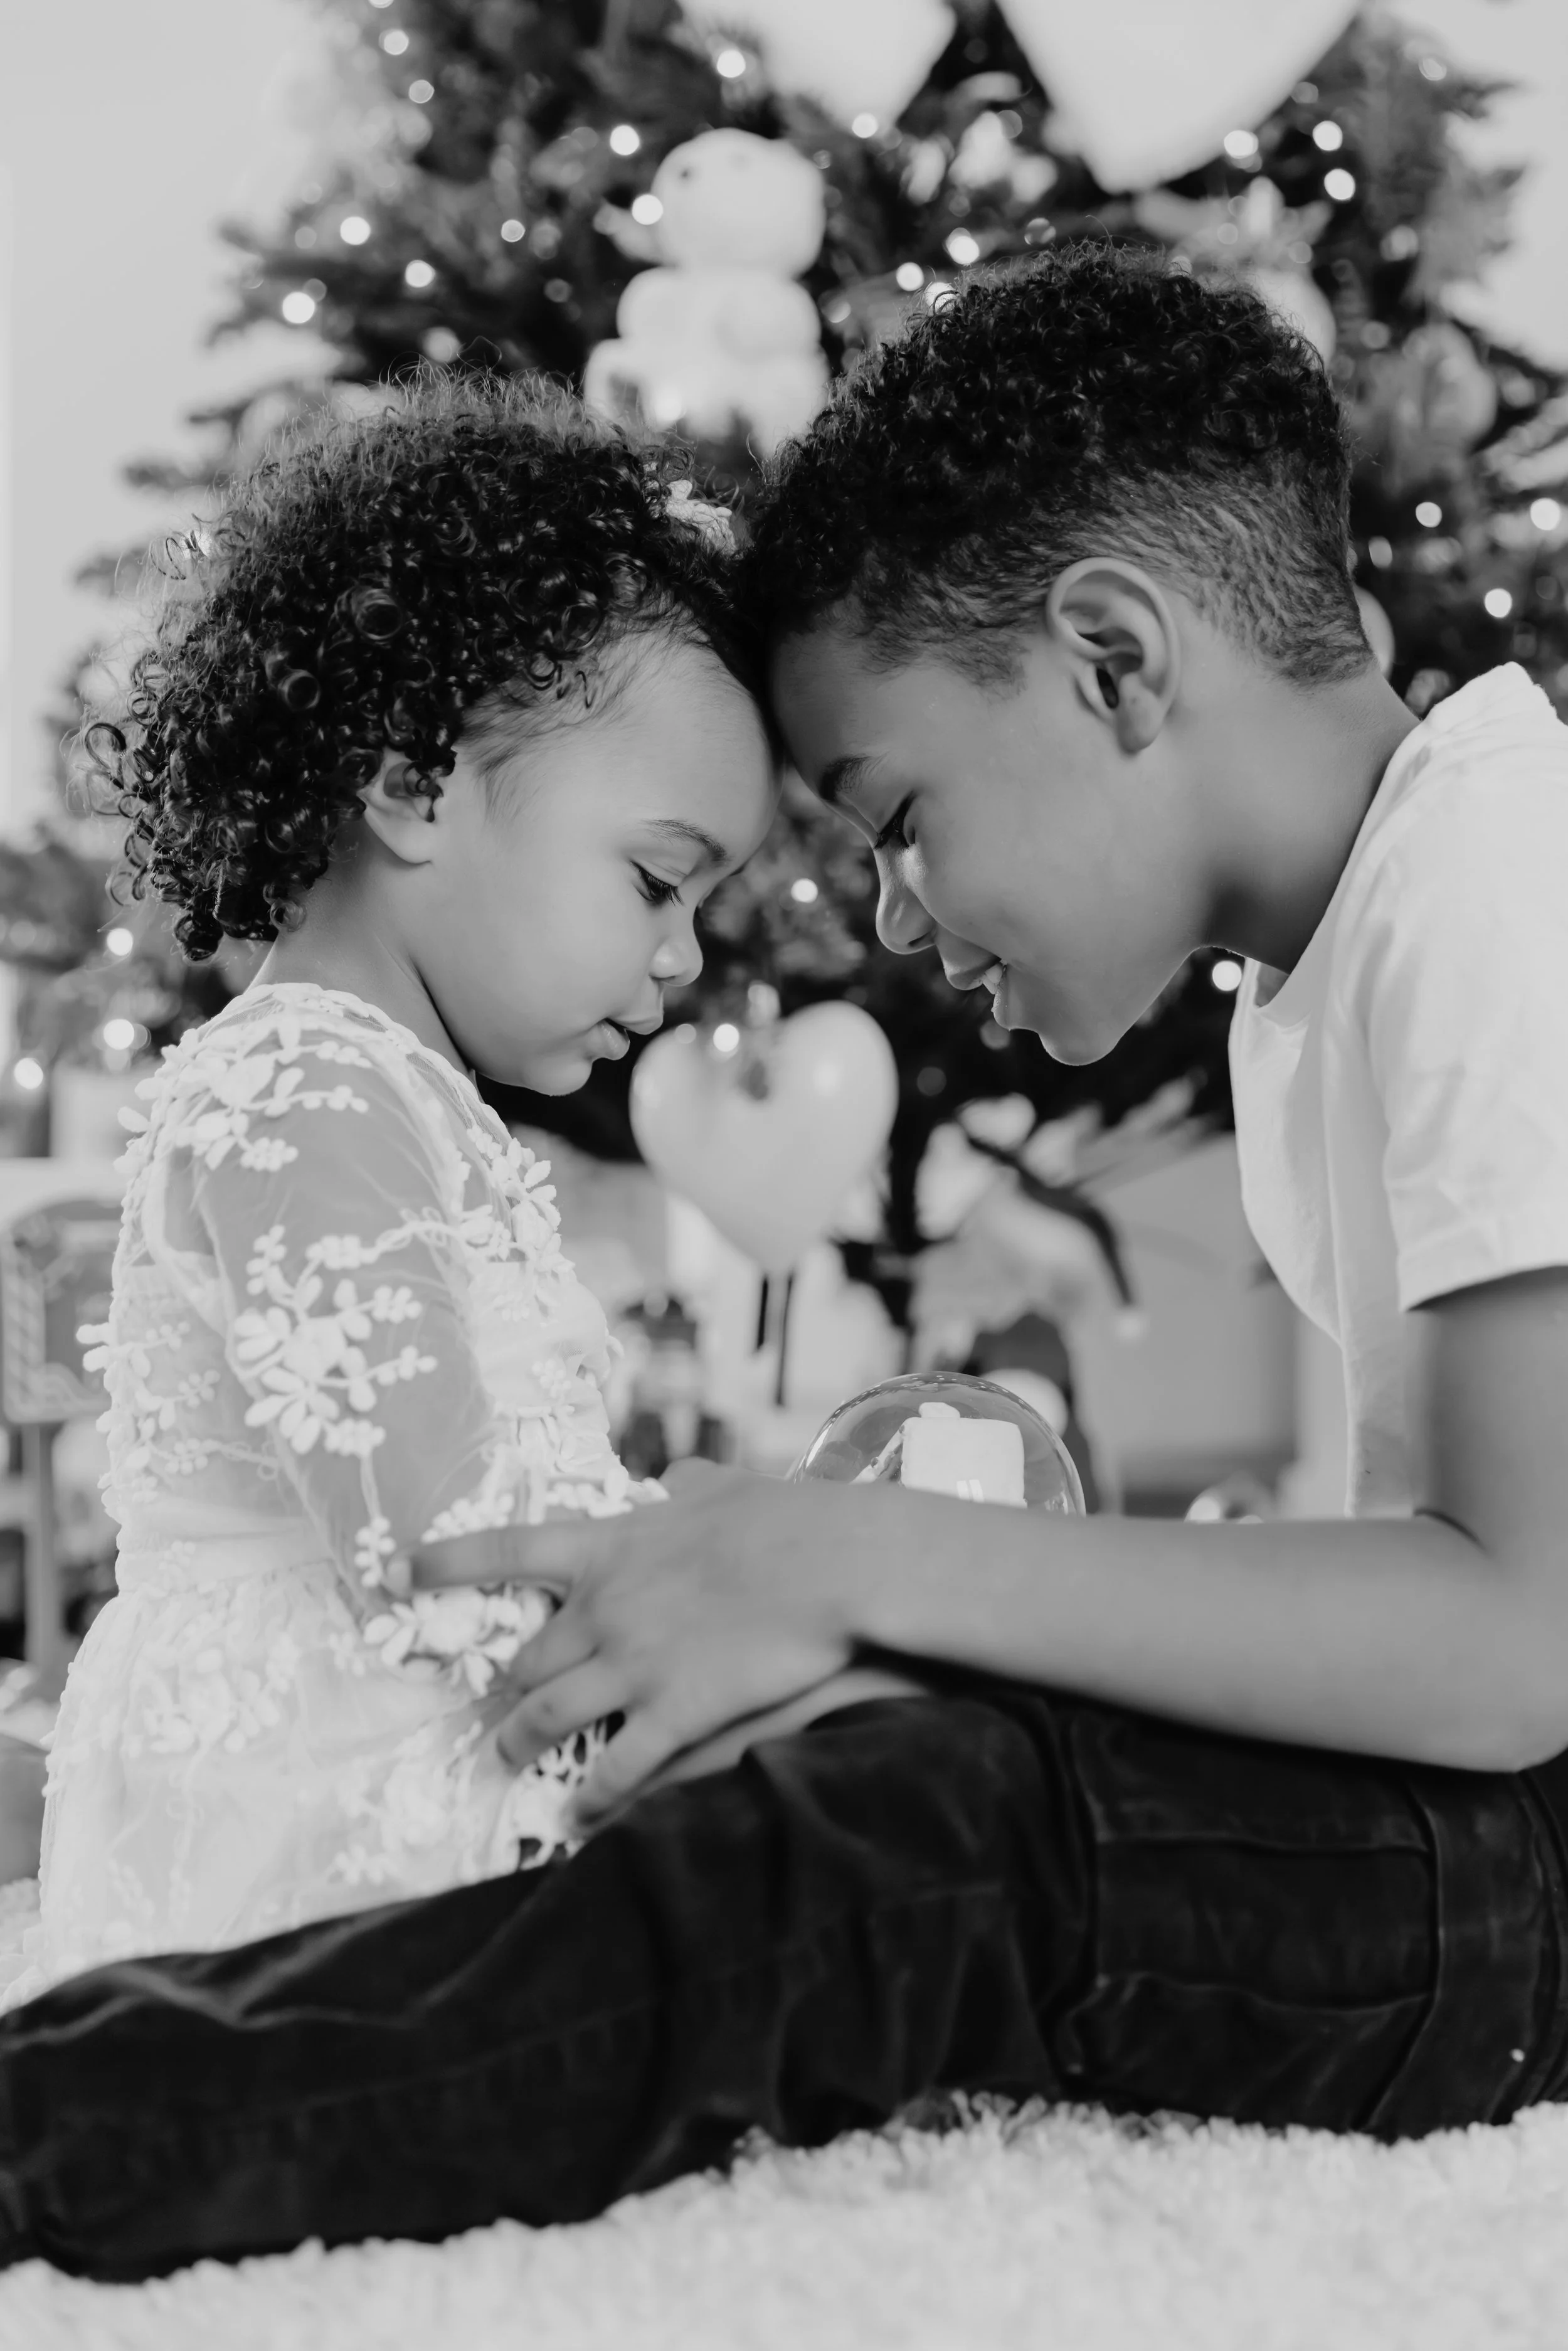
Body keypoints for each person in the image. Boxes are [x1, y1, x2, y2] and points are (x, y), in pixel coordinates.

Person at [5, 243, 1568, 2281]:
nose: (899, 917)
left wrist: (855, 1565)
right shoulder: (1330, 972)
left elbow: (1514, 1640)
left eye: (897, 814)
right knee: (919, 1785)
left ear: (1110, 662)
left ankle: (66, 2131)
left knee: (886, 1849)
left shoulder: (1499, 878)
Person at [0, 376, 778, 2005]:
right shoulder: (303, 1088)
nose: (688, 953)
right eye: (655, 875)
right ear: (414, 782)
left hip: (419, 1783)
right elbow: (445, 1547)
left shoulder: (390, 1096)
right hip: (311, 1858)